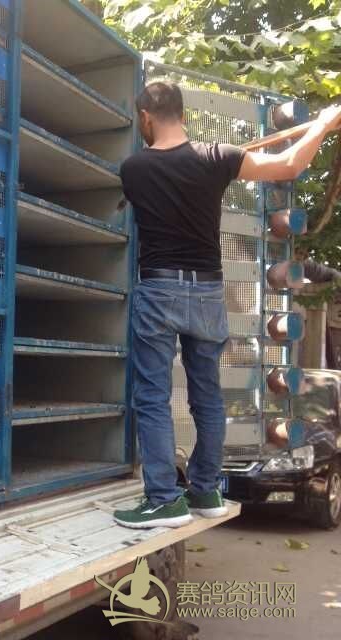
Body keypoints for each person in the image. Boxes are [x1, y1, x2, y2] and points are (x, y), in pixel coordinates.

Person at [114, 82, 341, 528]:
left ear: (145, 117)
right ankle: (204, 490)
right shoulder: (218, 157)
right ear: (184, 114)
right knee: (208, 397)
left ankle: (163, 500)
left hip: (159, 289)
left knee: (154, 397)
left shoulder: (134, 168)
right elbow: (290, 164)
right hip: (208, 292)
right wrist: (322, 124)